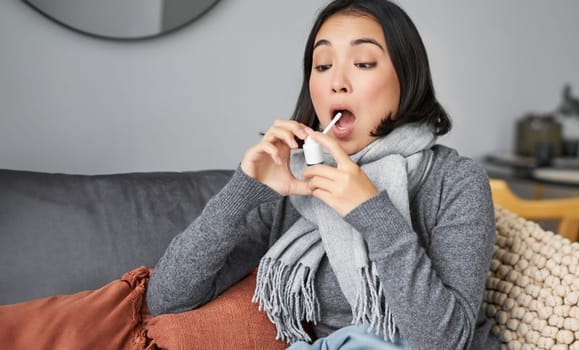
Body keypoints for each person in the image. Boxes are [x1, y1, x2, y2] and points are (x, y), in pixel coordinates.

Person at [146, 1, 500, 349]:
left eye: (363, 63)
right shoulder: (295, 181)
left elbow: (448, 341)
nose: (337, 82)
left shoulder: (455, 180)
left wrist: (373, 213)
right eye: (323, 65)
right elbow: (166, 299)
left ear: (406, 80)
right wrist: (242, 192)